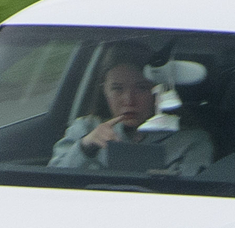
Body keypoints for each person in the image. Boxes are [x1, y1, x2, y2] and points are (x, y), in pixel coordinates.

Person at [50, 49, 215, 175]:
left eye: (141, 88)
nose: (128, 100)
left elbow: (190, 197)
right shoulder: (85, 129)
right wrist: (85, 146)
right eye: (117, 89)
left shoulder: (190, 140)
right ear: (104, 91)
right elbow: (51, 181)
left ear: (159, 91)